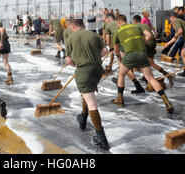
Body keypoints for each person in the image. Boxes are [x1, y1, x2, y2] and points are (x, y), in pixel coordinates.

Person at [112, 15, 174, 113]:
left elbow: (116, 50)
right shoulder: (136, 27)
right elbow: (149, 35)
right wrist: (143, 42)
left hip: (129, 55)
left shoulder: (118, 31)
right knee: (151, 79)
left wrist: (119, 58)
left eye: (117, 23)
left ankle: (120, 99)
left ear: (118, 22)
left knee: (121, 75)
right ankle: (166, 101)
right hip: (142, 54)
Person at [65, 18, 110, 150]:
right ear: (83, 25)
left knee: (91, 103)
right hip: (97, 69)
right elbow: (105, 51)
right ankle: (83, 118)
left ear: (73, 27)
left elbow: (69, 61)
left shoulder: (70, 38)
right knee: (87, 94)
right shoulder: (93, 34)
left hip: (83, 70)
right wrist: (95, 58)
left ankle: (102, 139)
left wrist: (77, 63)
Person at [104, 14, 146, 93]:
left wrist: (111, 48)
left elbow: (108, 40)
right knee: (127, 66)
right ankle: (126, 80)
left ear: (108, 20)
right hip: (131, 46)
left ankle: (137, 85)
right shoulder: (126, 24)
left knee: (124, 66)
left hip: (120, 48)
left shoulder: (108, 25)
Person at [132, 15, 175, 87]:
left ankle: (167, 75)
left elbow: (147, 36)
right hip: (152, 43)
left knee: (150, 62)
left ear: (134, 21)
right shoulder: (144, 25)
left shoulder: (137, 26)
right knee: (145, 61)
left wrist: (142, 44)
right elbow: (152, 33)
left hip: (148, 44)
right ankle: (145, 77)